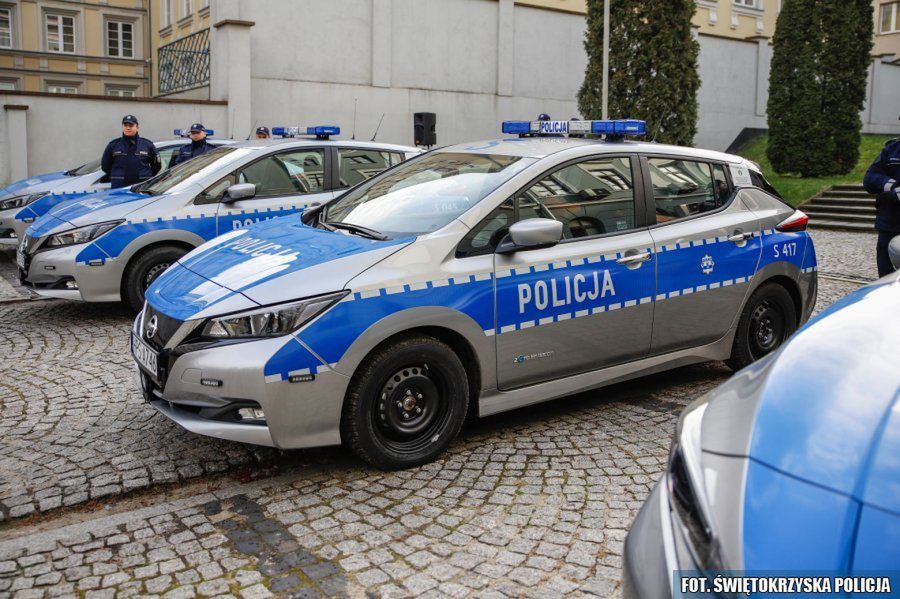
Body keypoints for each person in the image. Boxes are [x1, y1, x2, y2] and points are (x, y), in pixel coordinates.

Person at [863, 135, 900, 277]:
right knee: (885, 278)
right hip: (889, 224)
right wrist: (893, 187)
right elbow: (870, 179)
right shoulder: (892, 149)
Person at [101, 115, 161, 189]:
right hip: (119, 186)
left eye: (131, 125)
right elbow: (105, 166)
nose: (128, 128)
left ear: (137, 127)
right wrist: (117, 175)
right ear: (122, 127)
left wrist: (145, 175)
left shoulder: (147, 145)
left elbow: (157, 166)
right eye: (125, 125)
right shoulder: (113, 145)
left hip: (141, 186)